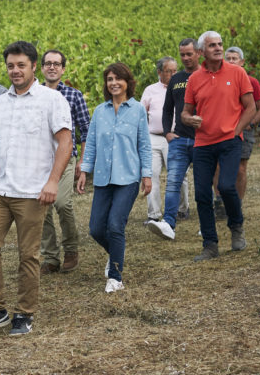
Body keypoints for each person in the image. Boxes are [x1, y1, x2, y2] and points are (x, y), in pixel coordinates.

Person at [0, 41, 72, 336]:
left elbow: (65, 143)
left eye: (21, 65)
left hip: (32, 191)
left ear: (33, 67)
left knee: (29, 255)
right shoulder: (0, 102)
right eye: (11, 66)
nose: (15, 71)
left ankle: (24, 313)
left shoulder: (52, 100)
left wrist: (52, 181)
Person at [77, 63, 153, 293]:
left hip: (128, 176)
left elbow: (144, 145)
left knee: (115, 225)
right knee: (96, 228)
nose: (113, 83)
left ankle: (115, 277)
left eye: (118, 79)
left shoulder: (138, 110)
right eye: (110, 79)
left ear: (127, 82)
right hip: (102, 177)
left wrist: (146, 176)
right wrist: (84, 171)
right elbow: (90, 144)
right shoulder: (100, 111)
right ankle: (115, 253)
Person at [181, 31, 256, 261]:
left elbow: (251, 107)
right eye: (212, 45)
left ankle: (236, 227)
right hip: (202, 143)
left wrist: (236, 131)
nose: (218, 48)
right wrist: (189, 119)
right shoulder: (194, 79)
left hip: (229, 141)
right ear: (202, 52)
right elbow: (185, 112)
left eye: (220, 44)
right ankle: (210, 245)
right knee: (202, 194)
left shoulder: (237, 72)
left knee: (226, 186)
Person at [38, 49, 91, 275]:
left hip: (66, 159)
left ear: (63, 69)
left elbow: (85, 130)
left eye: (56, 64)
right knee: (42, 209)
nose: (52, 67)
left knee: (62, 203)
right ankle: (50, 257)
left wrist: (84, 162)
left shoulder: (73, 95)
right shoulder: (34, 94)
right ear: (41, 68)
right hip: (39, 160)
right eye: (48, 63)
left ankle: (71, 248)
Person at [148, 38, 199, 241]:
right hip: (179, 139)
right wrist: (168, 133)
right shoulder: (176, 79)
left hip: (203, 140)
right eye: (182, 54)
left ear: (198, 53)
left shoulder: (206, 75)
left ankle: (206, 223)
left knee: (204, 183)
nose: (186, 58)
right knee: (173, 182)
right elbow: (168, 109)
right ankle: (169, 223)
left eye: (189, 54)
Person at [140, 56, 189, 224]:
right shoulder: (150, 90)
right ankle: (153, 214)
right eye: (169, 71)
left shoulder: (183, 87)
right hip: (153, 137)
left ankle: (182, 209)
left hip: (175, 136)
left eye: (176, 70)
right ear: (159, 72)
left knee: (178, 175)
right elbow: (141, 113)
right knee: (151, 174)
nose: (173, 74)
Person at [217, 46, 260, 201]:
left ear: (242, 62)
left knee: (240, 168)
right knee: (218, 167)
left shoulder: (251, 81)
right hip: (221, 129)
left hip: (243, 131)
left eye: (235, 58)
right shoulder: (218, 79)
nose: (231, 61)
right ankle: (219, 200)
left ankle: (237, 203)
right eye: (228, 58)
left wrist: (250, 124)